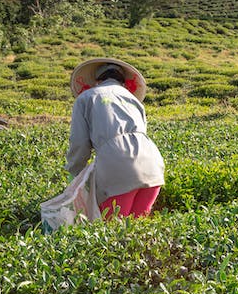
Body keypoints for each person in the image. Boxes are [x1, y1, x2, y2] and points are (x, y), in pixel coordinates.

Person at [66, 58, 165, 219]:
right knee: (137, 228)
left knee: (113, 229)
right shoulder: (134, 100)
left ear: (97, 81)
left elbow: (79, 143)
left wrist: (74, 172)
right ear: (123, 82)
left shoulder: (86, 98)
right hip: (152, 164)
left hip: (118, 164)